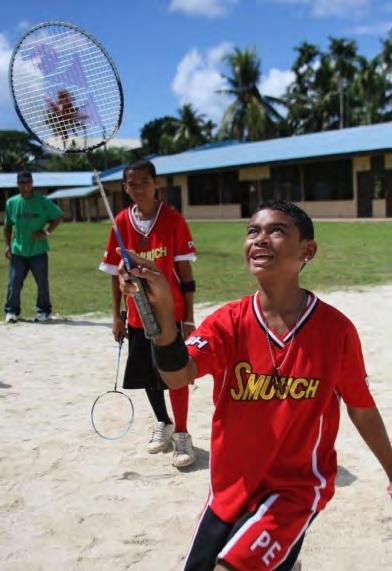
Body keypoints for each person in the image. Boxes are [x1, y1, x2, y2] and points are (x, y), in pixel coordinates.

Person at [118, 199, 392, 571]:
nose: (260, 239)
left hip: (294, 491)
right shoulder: (228, 322)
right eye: (252, 231)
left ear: (307, 250)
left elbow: (361, 407)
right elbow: (178, 375)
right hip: (230, 489)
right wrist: (164, 309)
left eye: (276, 230)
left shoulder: (335, 330)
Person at [99, 159, 197, 469]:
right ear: (124, 187)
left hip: (171, 314)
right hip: (138, 316)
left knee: (176, 375)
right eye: (131, 183)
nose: (137, 188)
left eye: (144, 181)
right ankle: (163, 422)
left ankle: (182, 434)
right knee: (147, 375)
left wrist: (190, 318)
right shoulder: (120, 223)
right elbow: (116, 274)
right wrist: (117, 316)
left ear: (156, 183)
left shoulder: (173, 220)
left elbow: (185, 270)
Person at [3, 171, 64, 324]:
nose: (26, 186)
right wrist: (7, 245)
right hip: (18, 250)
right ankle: (11, 312)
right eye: (22, 183)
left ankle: (43, 311)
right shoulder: (11, 203)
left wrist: (46, 231)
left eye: (28, 182)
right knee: (14, 282)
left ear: (32, 183)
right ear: (18, 184)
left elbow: (58, 216)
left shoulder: (42, 201)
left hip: (38, 251)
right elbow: (8, 226)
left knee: (42, 283)